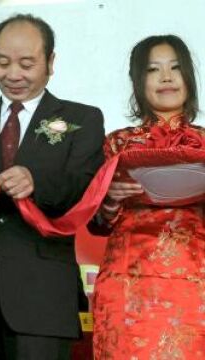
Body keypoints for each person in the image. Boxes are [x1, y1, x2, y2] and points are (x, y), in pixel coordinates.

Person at [0, 14, 105, 359]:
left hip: (43, 297)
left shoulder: (83, 119)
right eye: (3, 62)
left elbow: (87, 188)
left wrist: (37, 182)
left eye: (26, 63)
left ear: (51, 62)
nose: (13, 74)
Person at [90, 35, 205, 358]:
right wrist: (109, 198)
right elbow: (96, 222)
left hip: (196, 284)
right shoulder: (116, 144)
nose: (166, 77)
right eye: (154, 69)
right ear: (138, 81)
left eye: (176, 68)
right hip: (129, 284)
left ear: (189, 78)